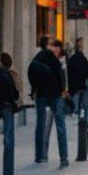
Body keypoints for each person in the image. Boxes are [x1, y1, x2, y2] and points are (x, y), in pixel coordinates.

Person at [27, 37, 70, 167]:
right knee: (60, 125)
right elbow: (60, 77)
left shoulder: (38, 58)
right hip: (56, 95)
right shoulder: (53, 60)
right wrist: (62, 90)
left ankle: (40, 156)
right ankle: (63, 157)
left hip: (41, 95)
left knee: (40, 125)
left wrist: (35, 88)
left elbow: (31, 73)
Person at [66, 38, 88, 133]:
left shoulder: (71, 59)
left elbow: (68, 73)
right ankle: (81, 119)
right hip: (82, 86)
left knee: (75, 105)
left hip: (73, 87)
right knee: (83, 105)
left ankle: (75, 117)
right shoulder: (83, 59)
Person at [0, 51, 28, 130]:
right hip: (9, 103)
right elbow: (18, 88)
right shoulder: (13, 74)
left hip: (0, 103)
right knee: (8, 130)